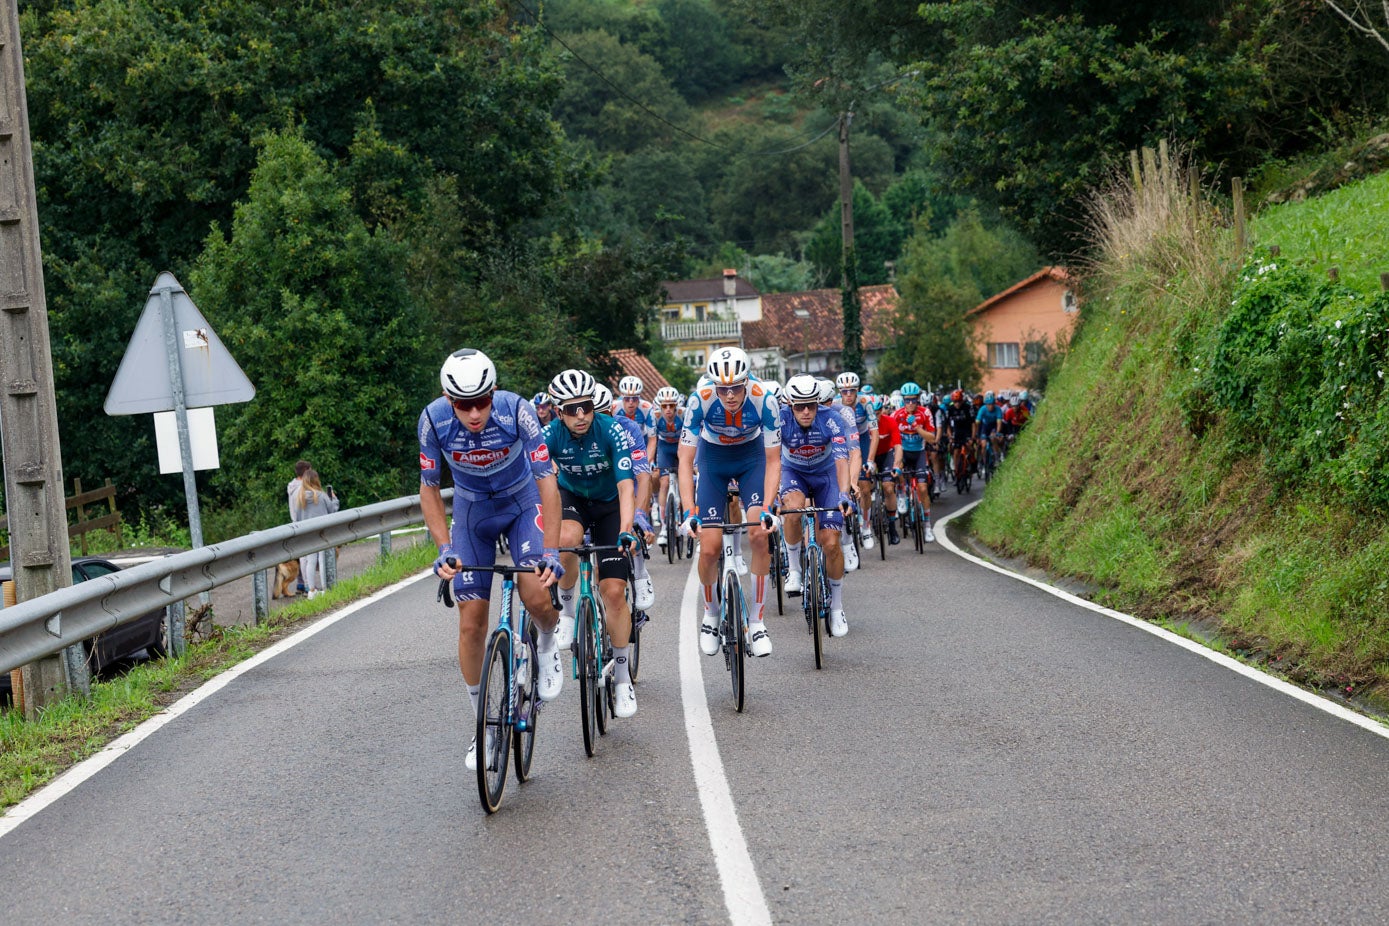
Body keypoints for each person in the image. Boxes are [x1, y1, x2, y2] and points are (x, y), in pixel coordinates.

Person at [420, 348, 566, 773]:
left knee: (538, 595)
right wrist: (444, 547)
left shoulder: (518, 412)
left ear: (494, 391)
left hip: (521, 502)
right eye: (464, 405)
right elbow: (429, 488)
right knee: (470, 621)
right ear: (449, 400)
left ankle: (546, 641)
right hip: (471, 510)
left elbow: (548, 483)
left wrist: (552, 552)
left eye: (482, 401)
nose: (475, 413)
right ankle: (481, 723)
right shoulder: (433, 421)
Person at [544, 370, 641, 719]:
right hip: (573, 501)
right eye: (572, 410)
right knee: (566, 540)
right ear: (559, 412)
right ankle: (568, 612)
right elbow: (533, 482)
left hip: (610, 507)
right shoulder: (550, 435)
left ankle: (620, 677)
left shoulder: (611, 430)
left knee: (613, 591)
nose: (581, 415)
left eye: (586, 407)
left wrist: (627, 529)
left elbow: (627, 485)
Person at [678, 347, 781, 658]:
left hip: (752, 459)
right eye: (723, 389)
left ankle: (758, 621)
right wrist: (688, 511)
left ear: (747, 381)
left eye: (736, 387)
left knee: (759, 534)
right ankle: (710, 615)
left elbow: (774, 461)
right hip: (713, 461)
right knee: (709, 547)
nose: (731, 395)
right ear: (714, 385)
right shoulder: (700, 400)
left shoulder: (765, 399)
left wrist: (768, 507)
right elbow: (685, 461)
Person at [777, 375, 854, 637]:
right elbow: (769, 459)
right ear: (790, 405)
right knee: (793, 507)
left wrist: (844, 493)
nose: (806, 411)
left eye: (811, 404)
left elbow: (842, 459)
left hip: (826, 477)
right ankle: (795, 570)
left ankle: (837, 607)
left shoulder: (831, 418)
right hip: (793, 473)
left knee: (831, 542)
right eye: (799, 406)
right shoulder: (780, 419)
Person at [595, 382, 656, 612]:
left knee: (631, 529)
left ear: (611, 410)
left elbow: (642, 475)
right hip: (597, 491)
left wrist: (639, 514)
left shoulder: (628, 427)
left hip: (625, 486)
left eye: (603, 414)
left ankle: (640, 572)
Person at [837, 371, 878, 554]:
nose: (848, 395)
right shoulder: (836, 404)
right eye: (844, 392)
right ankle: (845, 532)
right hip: (843, 440)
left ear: (857, 391)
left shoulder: (865, 403)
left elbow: (874, 434)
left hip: (861, 438)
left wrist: (870, 460)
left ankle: (866, 527)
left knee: (865, 486)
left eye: (851, 391)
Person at [892, 382, 937, 543]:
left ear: (918, 400)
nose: (910, 404)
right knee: (898, 468)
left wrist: (917, 428)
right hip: (903, 452)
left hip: (919, 453)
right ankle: (903, 494)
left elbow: (932, 438)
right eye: (907, 400)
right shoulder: (897, 415)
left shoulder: (925, 413)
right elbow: (892, 438)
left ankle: (927, 526)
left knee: (923, 488)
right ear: (903, 400)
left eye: (913, 400)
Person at [292, 468, 340, 598]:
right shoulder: (321, 495)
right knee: (323, 559)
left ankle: (311, 590)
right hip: (322, 533)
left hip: (307, 533)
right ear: (316, 480)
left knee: (310, 561)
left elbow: (297, 518)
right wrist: (335, 499)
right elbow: (332, 510)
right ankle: (325, 588)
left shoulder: (299, 498)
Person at [652, 385, 683, 545]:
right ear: (660, 407)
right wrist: (651, 461)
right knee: (664, 483)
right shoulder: (655, 417)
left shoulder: (683, 415)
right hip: (664, 449)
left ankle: (684, 514)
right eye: (665, 406)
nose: (668, 410)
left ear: (677, 406)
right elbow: (652, 440)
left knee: (685, 482)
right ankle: (664, 527)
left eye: (672, 405)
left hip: (681, 447)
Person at [873, 396, 904, 544]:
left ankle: (892, 526)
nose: (876, 416)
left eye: (878, 412)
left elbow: (897, 445)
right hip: (869, 456)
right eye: (872, 414)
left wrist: (897, 465)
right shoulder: (862, 424)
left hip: (886, 455)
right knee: (864, 487)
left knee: (888, 488)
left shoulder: (890, 421)